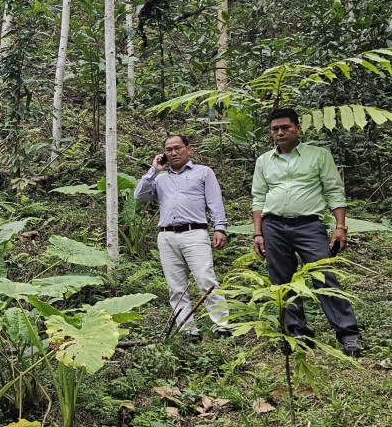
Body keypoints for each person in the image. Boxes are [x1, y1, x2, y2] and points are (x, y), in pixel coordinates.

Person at [252, 107, 363, 356]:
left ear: (297, 129)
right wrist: (258, 233)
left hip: (309, 225)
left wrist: (340, 226)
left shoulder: (318, 155)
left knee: (324, 277)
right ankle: (297, 333)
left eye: (285, 127)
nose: (280, 133)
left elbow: (334, 191)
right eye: (275, 129)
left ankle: (348, 334)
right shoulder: (264, 161)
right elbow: (258, 198)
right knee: (283, 281)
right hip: (273, 226)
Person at [134, 135, 231, 337]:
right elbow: (140, 197)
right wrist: (153, 170)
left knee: (206, 279)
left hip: (195, 233)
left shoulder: (203, 172)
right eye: (168, 150)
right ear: (164, 154)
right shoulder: (160, 179)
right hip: (167, 236)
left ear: (189, 149)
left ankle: (222, 325)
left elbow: (215, 202)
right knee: (176, 286)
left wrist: (219, 228)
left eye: (177, 148)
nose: (173, 153)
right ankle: (188, 330)